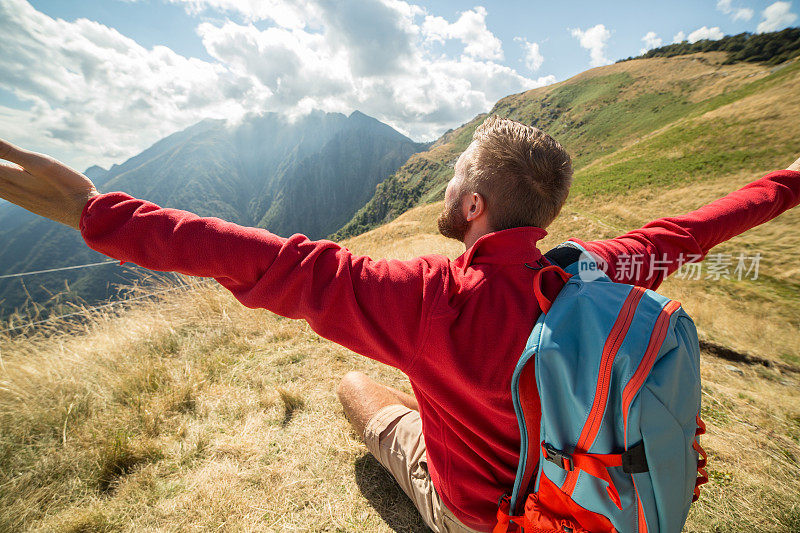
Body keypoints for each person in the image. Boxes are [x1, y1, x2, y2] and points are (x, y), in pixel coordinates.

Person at [1, 116, 798, 532]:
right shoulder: (603, 267)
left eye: (454, 178)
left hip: (480, 517)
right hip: (586, 492)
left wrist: (93, 211)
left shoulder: (426, 299)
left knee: (355, 388)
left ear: (474, 206)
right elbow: (704, 224)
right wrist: (791, 179)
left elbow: (260, 259)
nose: (448, 188)